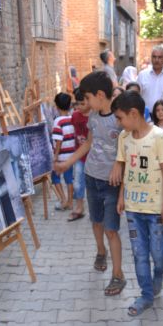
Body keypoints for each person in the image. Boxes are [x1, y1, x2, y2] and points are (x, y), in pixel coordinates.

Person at [54, 71, 126, 296]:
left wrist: (119, 165)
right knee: (96, 222)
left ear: (100, 95)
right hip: (91, 177)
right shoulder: (93, 118)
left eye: (87, 98)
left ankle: (118, 275)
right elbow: (88, 145)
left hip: (112, 183)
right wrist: (68, 163)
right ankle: (100, 251)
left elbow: (128, 149)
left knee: (111, 229)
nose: (85, 103)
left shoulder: (120, 119)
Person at [111, 91, 163, 316]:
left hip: (156, 209)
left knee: (158, 253)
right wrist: (121, 196)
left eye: (120, 118)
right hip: (133, 209)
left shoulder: (159, 137)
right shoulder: (124, 138)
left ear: (133, 113)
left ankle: (158, 274)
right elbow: (126, 170)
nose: (118, 123)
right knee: (139, 253)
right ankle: (146, 294)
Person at [51, 92, 75, 211]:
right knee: (69, 179)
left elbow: (58, 141)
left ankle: (63, 200)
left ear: (57, 106)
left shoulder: (58, 121)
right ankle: (70, 202)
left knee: (55, 178)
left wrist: (55, 156)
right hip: (71, 156)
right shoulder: (72, 119)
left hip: (61, 157)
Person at [69, 88, 90, 222]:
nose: (80, 107)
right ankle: (79, 207)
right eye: (78, 104)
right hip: (79, 155)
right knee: (77, 182)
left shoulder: (95, 116)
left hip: (93, 157)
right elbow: (73, 134)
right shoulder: (75, 116)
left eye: (83, 103)